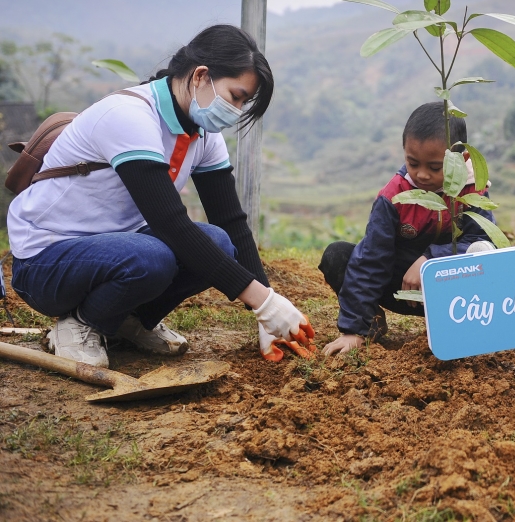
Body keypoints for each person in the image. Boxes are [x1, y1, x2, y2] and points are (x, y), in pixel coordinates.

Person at [8, 25, 315, 367]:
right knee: (152, 256)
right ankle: (82, 323)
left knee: (218, 241)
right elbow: (168, 222)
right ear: (201, 76)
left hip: (116, 248)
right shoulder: (129, 117)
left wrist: (266, 310)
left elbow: (230, 221)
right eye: (236, 96)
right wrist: (262, 302)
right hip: (46, 262)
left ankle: (130, 321)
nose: (237, 110)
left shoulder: (202, 134)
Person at [320, 102, 496, 355]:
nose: (422, 175)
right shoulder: (394, 196)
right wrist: (354, 330)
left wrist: (430, 259)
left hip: (447, 291)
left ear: (462, 159)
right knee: (338, 256)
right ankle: (369, 324)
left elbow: (481, 242)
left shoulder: (472, 191)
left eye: (434, 167)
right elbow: (371, 260)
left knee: (482, 254)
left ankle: (467, 325)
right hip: (402, 287)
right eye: (413, 163)